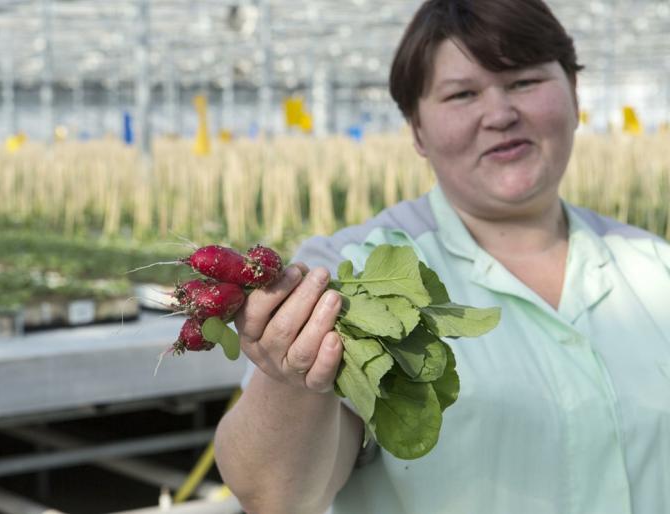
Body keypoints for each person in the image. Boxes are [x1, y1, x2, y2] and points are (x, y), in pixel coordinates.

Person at [213, 0, 670, 512]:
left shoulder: (655, 266)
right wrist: (289, 379)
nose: (500, 114)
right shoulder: (349, 273)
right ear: (417, 132)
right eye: (462, 94)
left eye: (524, 82)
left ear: (574, 94)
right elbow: (277, 496)